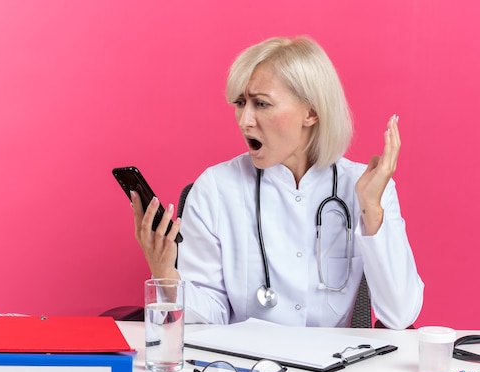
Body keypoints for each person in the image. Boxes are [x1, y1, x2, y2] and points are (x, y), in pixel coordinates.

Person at [130, 36, 424, 329]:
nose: (245, 120)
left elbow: (400, 316)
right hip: (247, 370)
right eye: (241, 103)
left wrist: (371, 211)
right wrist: (166, 273)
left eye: (261, 104)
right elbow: (212, 316)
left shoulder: (366, 187)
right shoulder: (215, 189)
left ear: (310, 112)